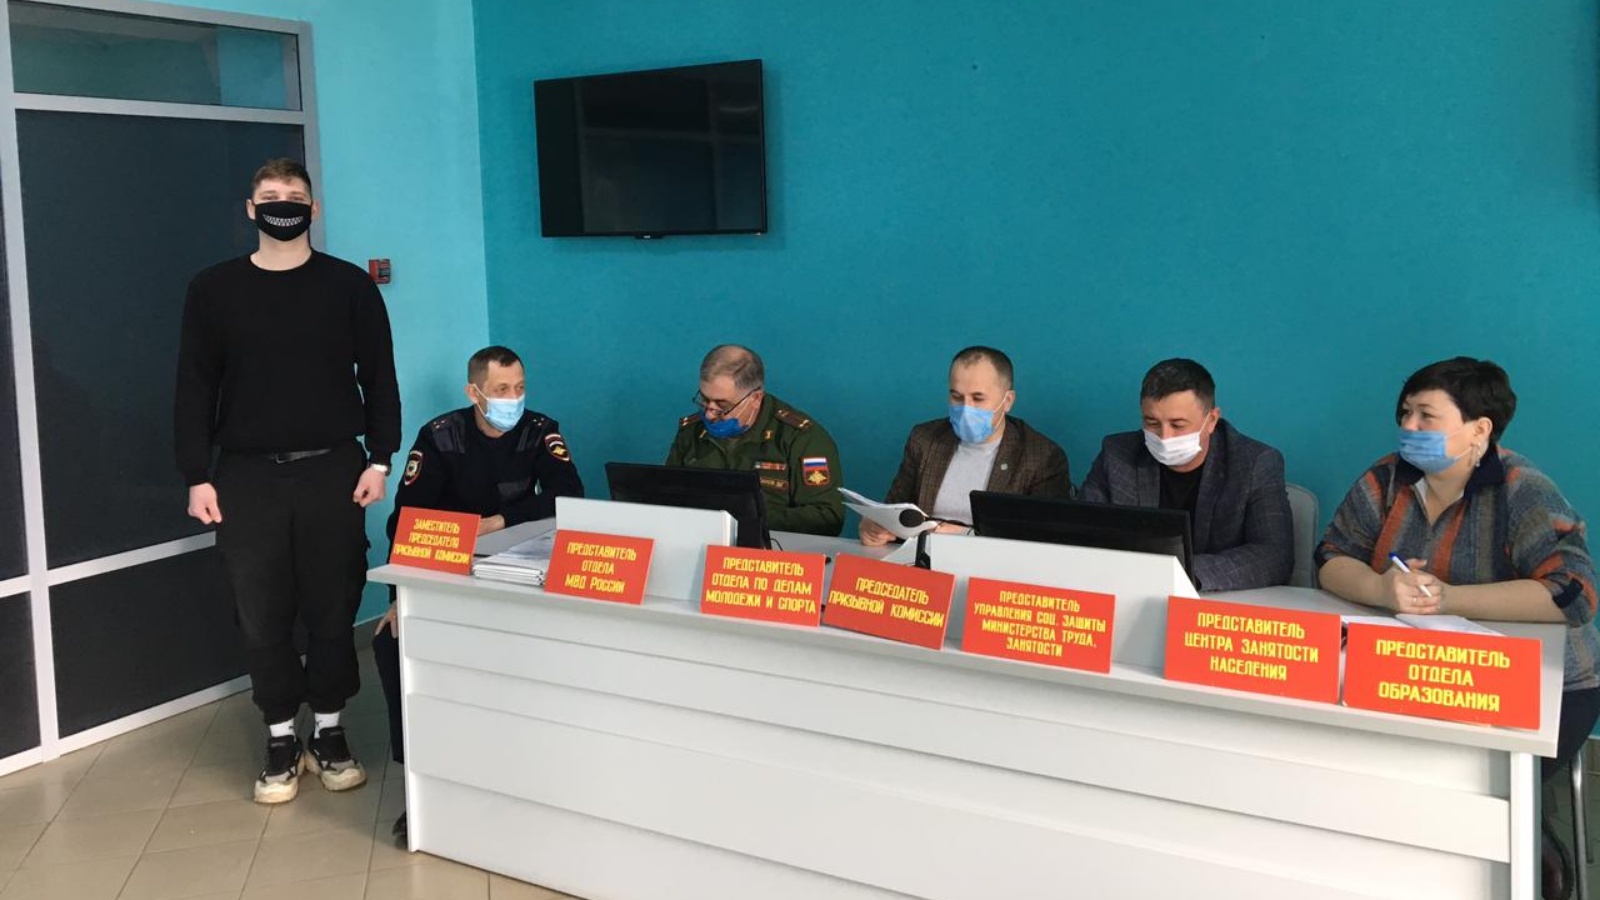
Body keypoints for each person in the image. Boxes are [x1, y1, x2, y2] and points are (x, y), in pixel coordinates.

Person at [1315, 357, 1599, 900]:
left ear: (1479, 430)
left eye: (1426, 415)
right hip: (1418, 671)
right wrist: (1379, 589)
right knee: (1385, 772)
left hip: (1551, 685)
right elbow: (1330, 556)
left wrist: (1449, 598)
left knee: (1473, 785)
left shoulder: (1524, 489)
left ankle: (1529, 849)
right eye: (1405, 413)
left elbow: (1574, 592)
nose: (1409, 427)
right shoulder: (1386, 478)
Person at [174, 158, 400, 804]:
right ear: (251, 209)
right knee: (259, 611)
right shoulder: (213, 289)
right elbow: (194, 387)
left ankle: (329, 730)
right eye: (270, 196)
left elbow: (379, 375)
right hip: (244, 476)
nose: (282, 204)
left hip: (335, 469)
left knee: (333, 603)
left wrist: (380, 458)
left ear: (313, 209)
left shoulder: (349, 286)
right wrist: (196, 474)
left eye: (294, 195)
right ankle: (280, 736)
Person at [374, 345, 583, 839]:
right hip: (450, 566)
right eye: (501, 390)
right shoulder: (441, 436)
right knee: (390, 644)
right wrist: (400, 598)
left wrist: (502, 520)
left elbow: (569, 495)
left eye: (520, 387)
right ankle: (418, 775)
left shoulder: (539, 430)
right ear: (475, 392)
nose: (514, 398)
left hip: (520, 569)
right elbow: (406, 521)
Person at [1079, 358, 1292, 591]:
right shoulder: (1117, 455)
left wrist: (1182, 573)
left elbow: (1274, 556)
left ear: (1211, 420)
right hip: (1127, 590)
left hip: (1213, 599)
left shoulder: (1255, 463)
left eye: (1178, 425)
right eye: (1152, 423)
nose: (1164, 437)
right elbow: (1081, 534)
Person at [860, 346, 1070, 545]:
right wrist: (876, 526)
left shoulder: (1041, 456)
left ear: (1007, 401)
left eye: (978, 398)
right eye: (957, 397)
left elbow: (1043, 539)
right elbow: (895, 509)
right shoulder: (924, 439)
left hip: (993, 567)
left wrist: (967, 536)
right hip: (920, 562)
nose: (966, 408)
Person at [666, 344, 844, 536]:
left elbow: (827, 518)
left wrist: (749, 517)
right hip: (699, 544)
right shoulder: (691, 432)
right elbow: (664, 497)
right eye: (704, 400)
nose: (709, 414)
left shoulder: (801, 438)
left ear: (756, 398)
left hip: (772, 549)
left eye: (722, 405)